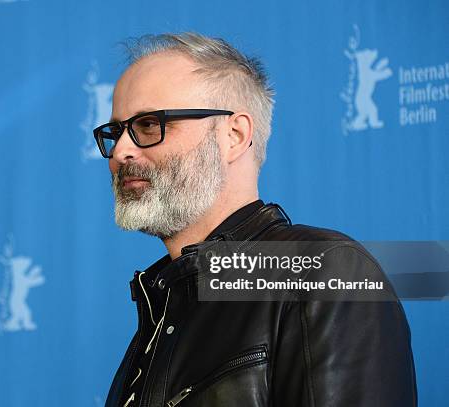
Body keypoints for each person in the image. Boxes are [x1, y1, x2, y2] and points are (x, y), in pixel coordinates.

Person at [93, 32, 417, 407]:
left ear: (234, 136)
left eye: (149, 124)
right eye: (116, 132)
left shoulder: (320, 272)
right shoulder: (162, 309)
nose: (121, 151)